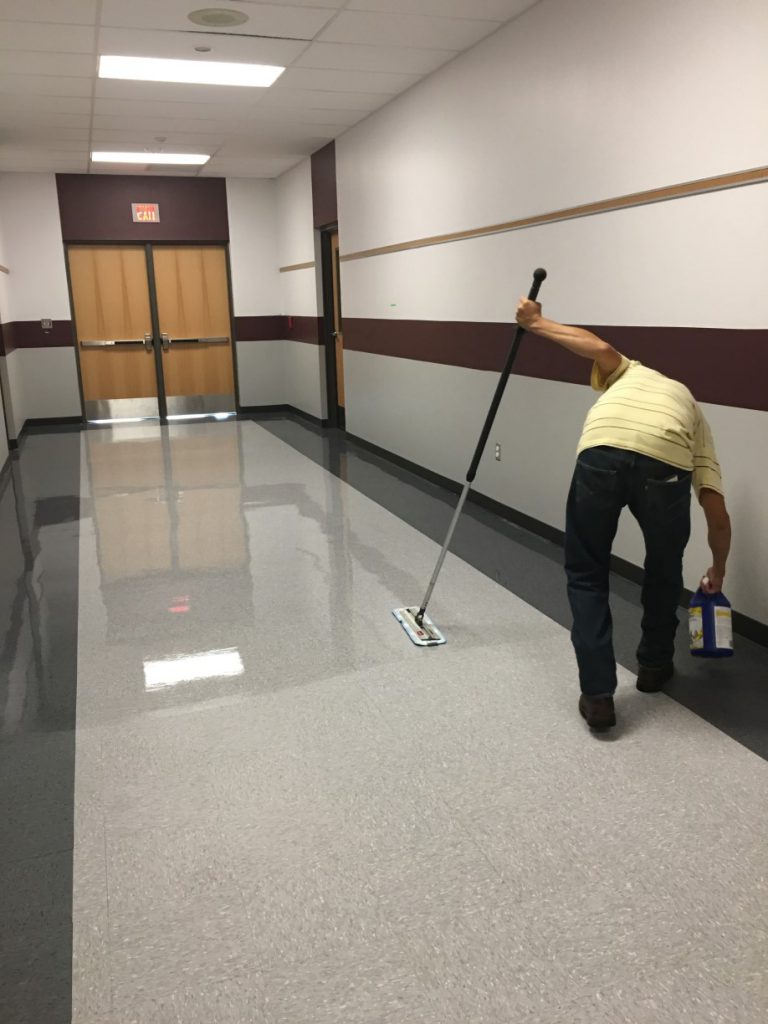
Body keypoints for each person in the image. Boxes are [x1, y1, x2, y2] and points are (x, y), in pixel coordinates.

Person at [516, 298, 731, 732]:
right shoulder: (692, 413)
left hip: (601, 453)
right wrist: (719, 570)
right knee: (664, 568)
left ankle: (598, 696)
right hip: (667, 463)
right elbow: (716, 511)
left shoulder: (630, 371)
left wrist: (536, 322)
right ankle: (654, 667)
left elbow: (595, 346)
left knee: (586, 571)